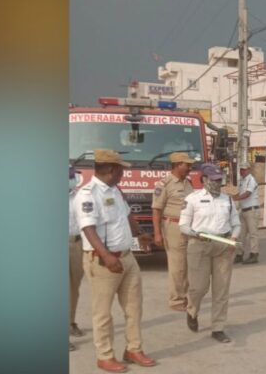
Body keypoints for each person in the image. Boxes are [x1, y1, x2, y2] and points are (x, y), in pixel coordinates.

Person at [73, 149, 156, 372]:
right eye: (121, 169)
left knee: (134, 307)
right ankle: (105, 355)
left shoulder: (115, 189)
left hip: (127, 258)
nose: (124, 173)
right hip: (103, 262)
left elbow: (127, 215)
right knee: (103, 312)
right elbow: (87, 228)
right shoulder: (88, 194)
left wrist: (140, 233)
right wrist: (106, 256)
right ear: (111, 169)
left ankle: (133, 349)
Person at [180, 164, 241, 343]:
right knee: (198, 287)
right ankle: (192, 311)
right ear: (204, 180)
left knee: (221, 289)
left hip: (223, 246)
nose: (217, 183)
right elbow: (183, 225)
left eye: (219, 180)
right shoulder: (192, 199)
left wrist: (234, 238)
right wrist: (194, 233)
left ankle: (218, 327)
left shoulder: (227, 200)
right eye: (213, 180)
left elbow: (236, 223)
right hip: (199, 245)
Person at [151, 152, 197, 311]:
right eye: (187, 165)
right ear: (177, 165)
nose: (190, 167)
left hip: (188, 227)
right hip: (173, 227)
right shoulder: (164, 184)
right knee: (177, 265)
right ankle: (177, 300)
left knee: (187, 263)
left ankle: (184, 295)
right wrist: (157, 233)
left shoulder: (188, 183)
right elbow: (156, 210)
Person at [69, 166, 85, 351]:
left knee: (74, 288)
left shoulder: (80, 196)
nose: (71, 180)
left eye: (72, 177)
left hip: (77, 244)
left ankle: (71, 323)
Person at [234, 161, 261, 264]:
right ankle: (239, 254)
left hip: (251, 210)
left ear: (249, 170)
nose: (242, 171)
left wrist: (235, 198)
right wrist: (233, 196)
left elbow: (247, 194)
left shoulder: (251, 180)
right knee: (241, 234)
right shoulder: (243, 180)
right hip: (244, 210)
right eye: (241, 169)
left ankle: (254, 254)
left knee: (253, 234)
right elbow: (241, 193)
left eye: (244, 169)